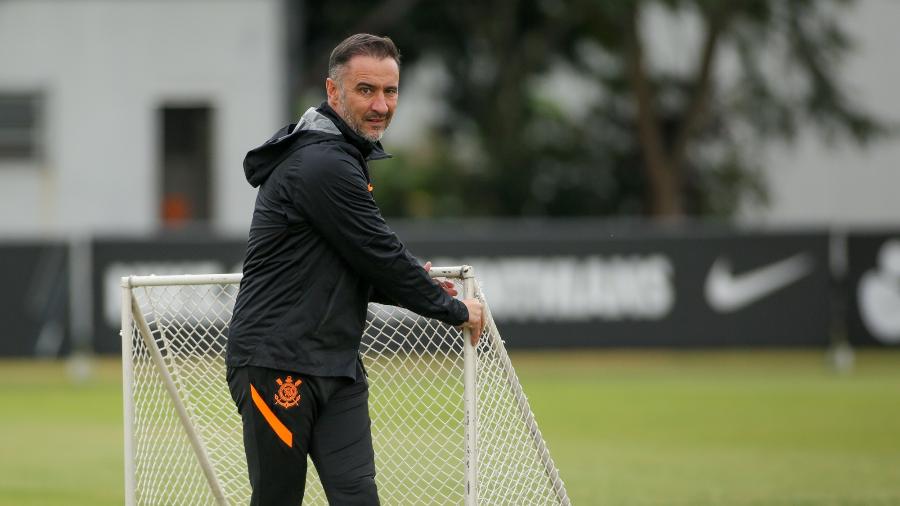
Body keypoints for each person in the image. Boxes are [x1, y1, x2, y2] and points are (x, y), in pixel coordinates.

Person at [226, 33, 484, 505]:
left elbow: (353, 264)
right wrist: (451, 308)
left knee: (358, 498)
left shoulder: (341, 156)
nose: (382, 105)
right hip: (275, 361)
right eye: (366, 90)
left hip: (338, 366)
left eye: (391, 91)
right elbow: (379, 253)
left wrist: (418, 284)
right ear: (332, 92)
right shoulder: (321, 162)